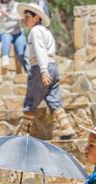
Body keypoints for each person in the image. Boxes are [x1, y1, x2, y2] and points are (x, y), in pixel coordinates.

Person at [17, 3, 75, 139]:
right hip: (53, 66)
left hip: (40, 67)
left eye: (27, 17)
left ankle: (23, 134)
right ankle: (67, 128)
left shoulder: (35, 31)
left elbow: (40, 50)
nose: (24, 20)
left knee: (30, 101)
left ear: (36, 18)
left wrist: (43, 70)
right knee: (54, 99)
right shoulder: (46, 32)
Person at [0, 0, 27, 70]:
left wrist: (8, 15)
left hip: (17, 33)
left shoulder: (17, 5)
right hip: (2, 33)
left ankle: (28, 70)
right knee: (6, 36)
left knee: (22, 53)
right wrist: (1, 15)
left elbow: (20, 18)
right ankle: (5, 58)